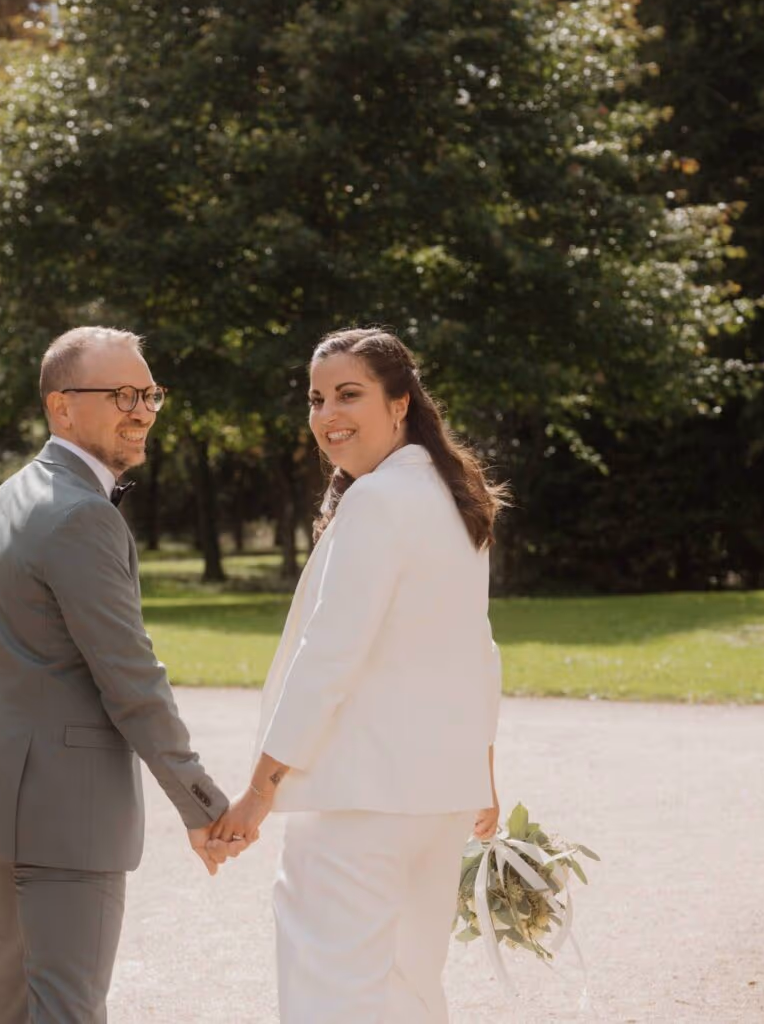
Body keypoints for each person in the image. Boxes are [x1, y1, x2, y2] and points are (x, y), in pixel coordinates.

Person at [210, 326, 509, 1022]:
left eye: (349, 394)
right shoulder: (455, 498)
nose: (327, 415)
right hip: (436, 797)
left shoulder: (376, 501)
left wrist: (260, 788)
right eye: (316, 398)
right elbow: (480, 648)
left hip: (357, 799)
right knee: (409, 991)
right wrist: (481, 769)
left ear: (400, 402)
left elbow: (329, 652)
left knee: (330, 992)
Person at [0, 326, 234, 1023]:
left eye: (150, 393)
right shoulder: (81, 516)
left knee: (10, 1006)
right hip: (62, 820)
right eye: (124, 394)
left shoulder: (7, 497)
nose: (143, 410)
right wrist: (200, 800)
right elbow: (131, 678)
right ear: (62, 407)